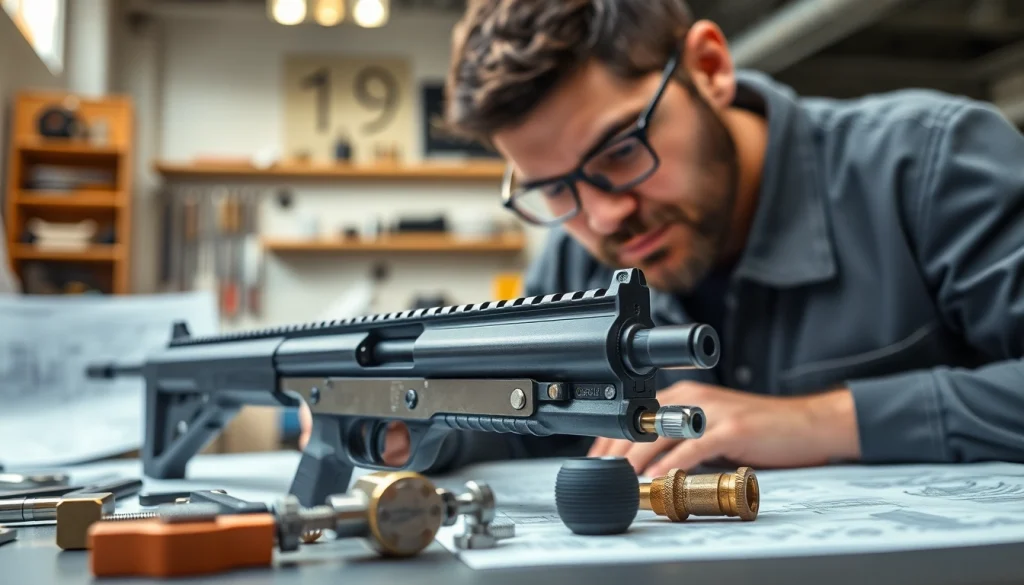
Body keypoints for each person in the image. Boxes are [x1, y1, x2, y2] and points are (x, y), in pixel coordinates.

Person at [301, 0, 1024, 477]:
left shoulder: (931, 165)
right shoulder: (574, 252)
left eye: (619, 150)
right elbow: (526, 418)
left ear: (708, 68)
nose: (602, 219)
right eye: (554, 188)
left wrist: (824, 421)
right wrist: (420, 427)